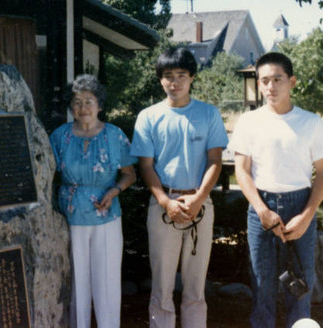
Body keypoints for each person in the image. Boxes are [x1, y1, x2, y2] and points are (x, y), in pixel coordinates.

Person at [130, 47, 228, 328]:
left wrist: (198, 199)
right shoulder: (148, 117)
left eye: (181, 75)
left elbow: (215, 160)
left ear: (192, 77)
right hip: (163, 205)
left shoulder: (208, 114)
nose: (175, 82)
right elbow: (146, 166)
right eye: (168, 76)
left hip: (200, 204)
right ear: (160, 79)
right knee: (161, 286)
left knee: (196, 287)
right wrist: (165, 202)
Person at [228, 52, 323, 328]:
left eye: (277, 79)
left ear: (292, 81)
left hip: (300, 204)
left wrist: (307, 216)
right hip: (262, 208)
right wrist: (262, 211)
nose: (271, 87)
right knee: (262, 286)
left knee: (300, 287)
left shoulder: (312, 123)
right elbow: (242, 172)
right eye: (265, 81)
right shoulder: (249, 122)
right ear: (259, 84)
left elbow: (322, 174)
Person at [49, 74, 137, 328]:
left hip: (106, 215)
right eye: (77, 102)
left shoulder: (114, 135)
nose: (83, 107)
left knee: (107, 281)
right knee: (77, 282)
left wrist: (114, 191)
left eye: (89, 101)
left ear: (100, 105)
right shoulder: (59, 136)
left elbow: (129, 174)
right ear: (70, 107)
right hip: (70, 216)